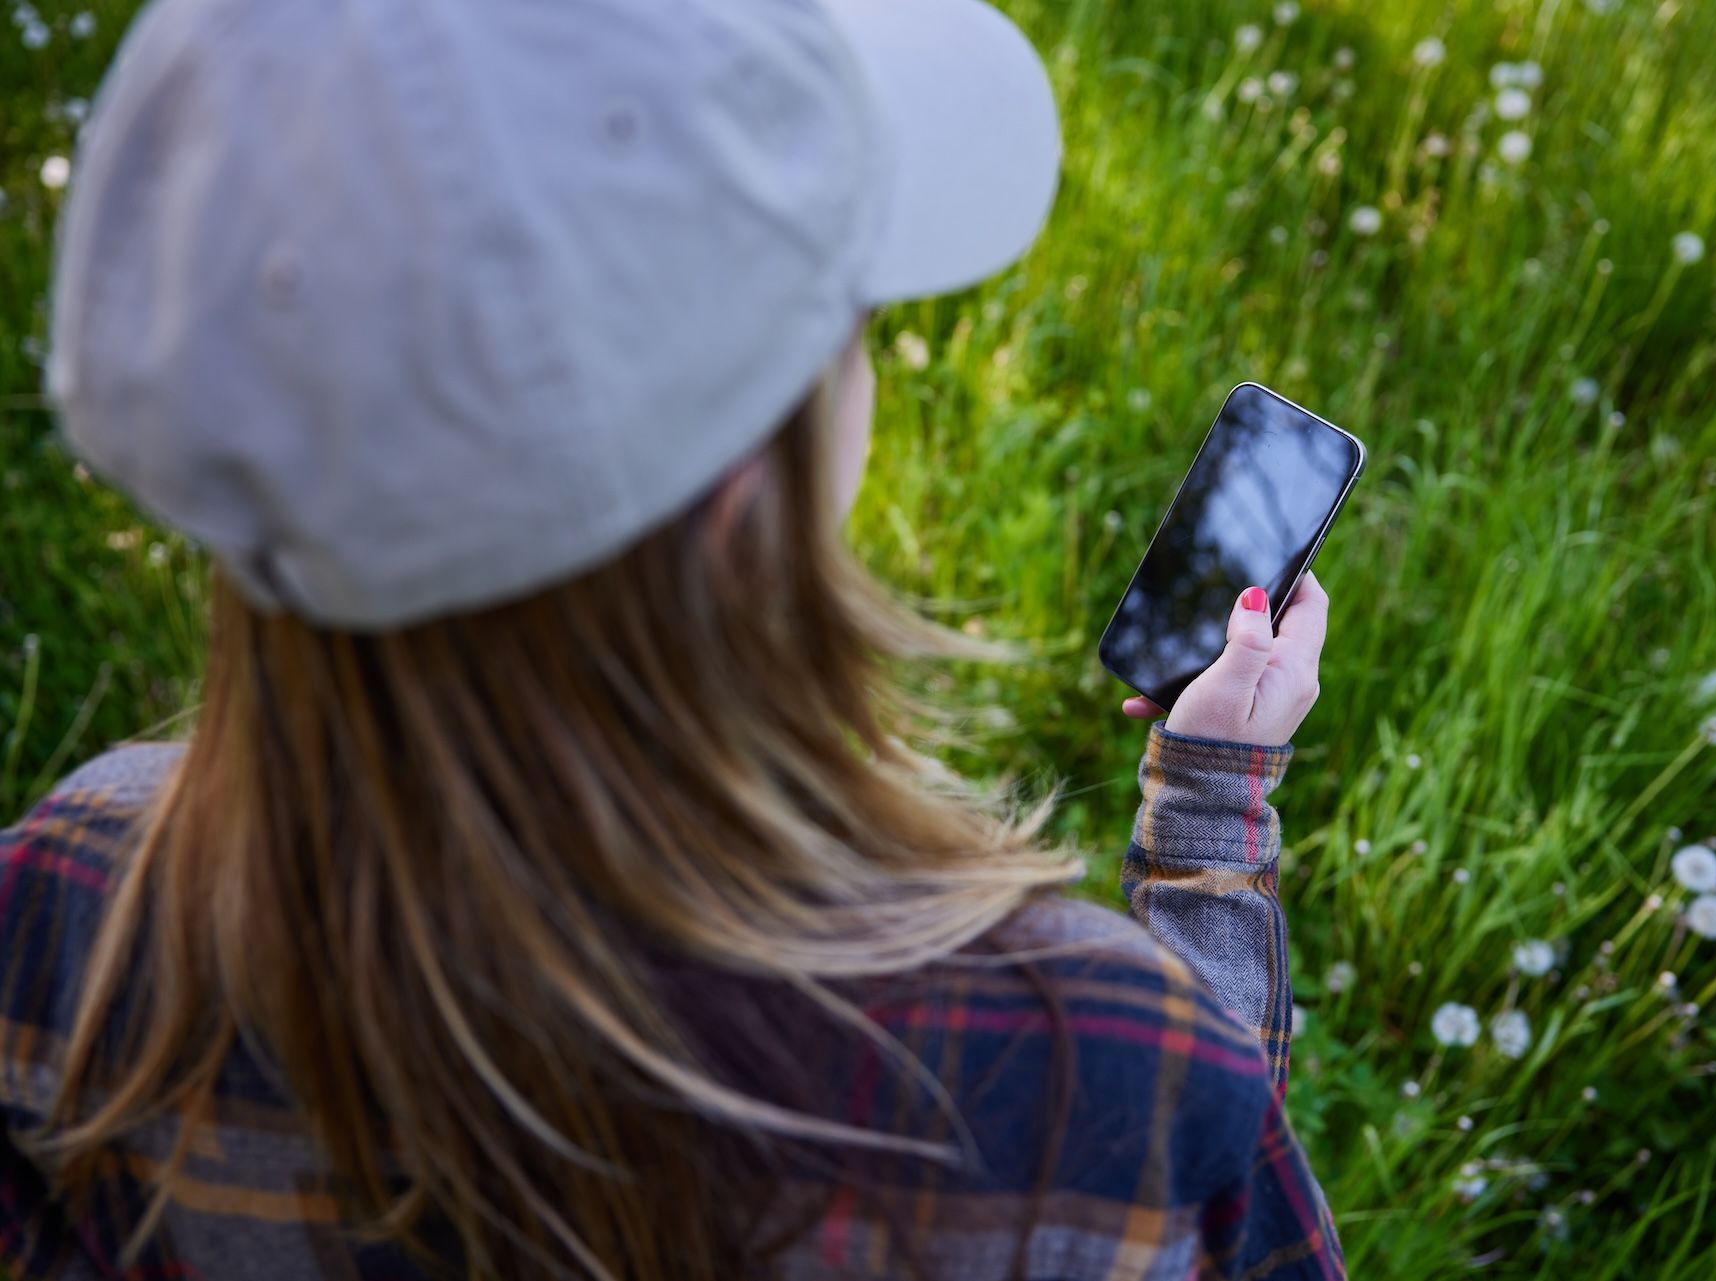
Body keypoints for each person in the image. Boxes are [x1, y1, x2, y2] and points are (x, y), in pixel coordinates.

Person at [0, 0, 1342, 1276]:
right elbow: (1196, 1201)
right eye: (843, 327)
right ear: (738, 505)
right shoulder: (1077, 1065)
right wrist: (1209, 828)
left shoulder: (69, 913)